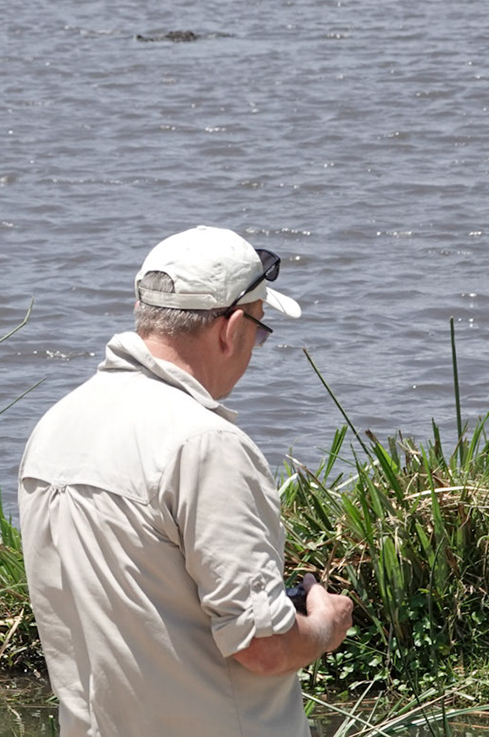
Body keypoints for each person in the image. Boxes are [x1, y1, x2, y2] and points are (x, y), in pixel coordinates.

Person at [19, 226, 354, 737]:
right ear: (232, 328)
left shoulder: (54, 427)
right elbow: (262, 648)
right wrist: (324, 624)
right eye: (260, 331)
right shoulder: (206, 444)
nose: (253, 348)